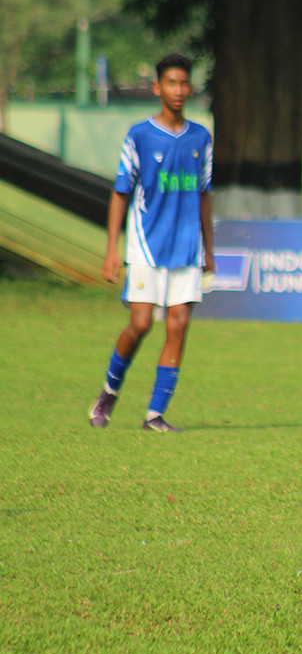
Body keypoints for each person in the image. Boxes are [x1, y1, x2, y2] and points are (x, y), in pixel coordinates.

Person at [88, 53, 214, 433]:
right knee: (140, 323)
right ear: (158, 88)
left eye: (184, 83)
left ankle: (154, 415)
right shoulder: (139, 136)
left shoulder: (201, 137)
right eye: (171, 83)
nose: (179, 90)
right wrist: (112, 248)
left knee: (178, 327)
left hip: (187, 248)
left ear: (190, 87)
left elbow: (205, 194)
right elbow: (121, 193)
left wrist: (210, 248)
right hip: (145, 246)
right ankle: (109, 392)